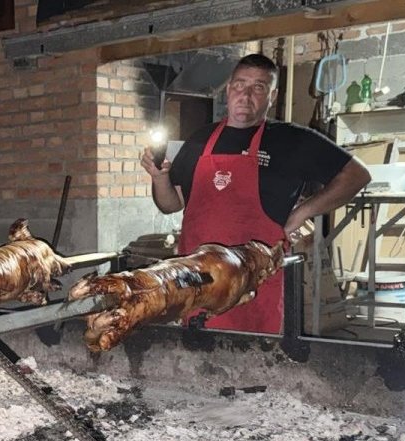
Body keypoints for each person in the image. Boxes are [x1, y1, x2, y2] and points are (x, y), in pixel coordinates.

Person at [140, 53, 371, 335]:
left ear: (272, 95)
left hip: (256, 284)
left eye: (258, 87)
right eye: (239, 85)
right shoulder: (200, 139)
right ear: (228, 90)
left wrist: (303, 212)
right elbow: (170, 204)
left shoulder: (292, 140)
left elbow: (357, 175)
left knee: (256, 362)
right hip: (199, 283)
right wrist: (160, 178)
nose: (246, 95)